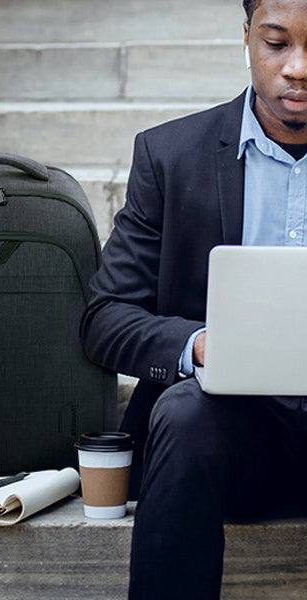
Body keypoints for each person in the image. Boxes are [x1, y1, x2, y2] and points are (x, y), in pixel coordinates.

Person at [79, 1, 307, 598]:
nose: (298, 68)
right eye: (277, 43)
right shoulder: (169, 156)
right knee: (183, 412)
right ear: (247, 38)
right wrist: (199, 346)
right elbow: (105, 316)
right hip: (232, 442)